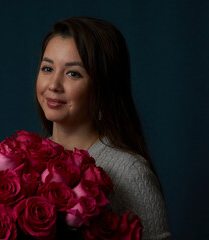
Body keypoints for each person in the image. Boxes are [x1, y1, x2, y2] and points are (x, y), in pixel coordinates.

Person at [35, 17, 171, 239]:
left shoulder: (129, 172)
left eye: (73, 73)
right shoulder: (27, 161)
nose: (53, 85)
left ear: (102, 87)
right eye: (47, 68)